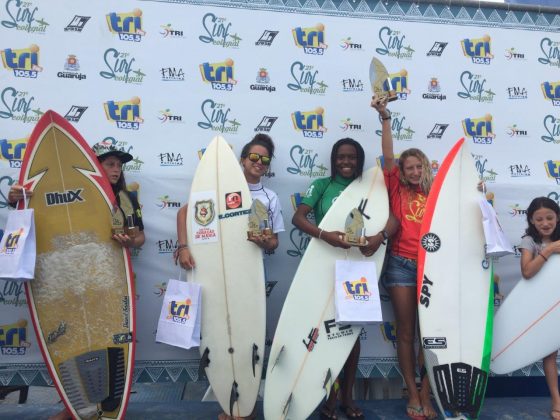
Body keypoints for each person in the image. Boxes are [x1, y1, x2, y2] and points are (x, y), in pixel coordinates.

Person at [9, 141, 146, 420]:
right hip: (69, 280)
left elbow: (140, 236)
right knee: (73, 338)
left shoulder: (126, 199)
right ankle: (74, 408)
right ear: (93, 165)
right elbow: (31, 213)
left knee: (105, 336)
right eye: (110, 164)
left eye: (119, 165)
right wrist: (18, 198)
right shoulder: (68, 192)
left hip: (109, 278)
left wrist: (130, 240)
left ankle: (107, 408)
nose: (116, 169)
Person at [175, 133, 284, 420]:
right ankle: (229, 403)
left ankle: (245, 404)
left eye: (265, 160)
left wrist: (264, 241)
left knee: (247, 332)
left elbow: (274, 243)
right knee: (218, 330)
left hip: (248, 275)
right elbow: (186, 213)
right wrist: (183, 245)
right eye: (254, 157)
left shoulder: (269, 197)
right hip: (212, 274)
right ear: (243, 160)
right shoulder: (217, 187)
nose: (259, 163)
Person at [292, 137, 398, 420]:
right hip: (321, 266)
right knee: (321, 332)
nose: (346, 162)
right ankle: (328, 395)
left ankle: (347, 397)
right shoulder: (322, 185)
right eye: (341, 157)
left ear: (359, 159)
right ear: (334, 159)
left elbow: (394, 219)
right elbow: (299, 218)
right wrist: (326, 236)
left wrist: (379, 237)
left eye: (352, 157)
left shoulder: (371, 187)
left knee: (350, 334)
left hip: (356, 269)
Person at [371, 96, 437, 420]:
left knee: (431, 334)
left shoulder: (436, 193)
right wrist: (385, 118)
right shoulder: (396, 187)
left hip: (431, 268)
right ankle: (411, 392)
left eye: (417, 166)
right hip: (400, 265)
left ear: (425, 167)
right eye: (407, 167)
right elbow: (387, 155)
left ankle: (427, 392)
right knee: (407, 333)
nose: (412, 171)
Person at [518, 197, 560, 420]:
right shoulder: (529, 241)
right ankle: (557, 402)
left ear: (558, 218)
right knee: (550, 355)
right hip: (545, 307)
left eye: (550, 218)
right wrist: (550, 249)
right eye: (540, 219)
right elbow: (527, 272)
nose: (545, 223)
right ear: (532, 221)